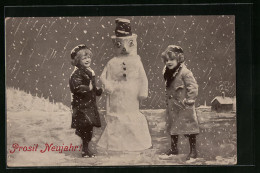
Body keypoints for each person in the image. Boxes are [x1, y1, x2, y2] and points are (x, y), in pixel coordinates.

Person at [97, 18, 152, 151]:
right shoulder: (112, 62)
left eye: (128, 44)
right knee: (118, 115)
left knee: (131, 114)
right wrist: (107, 84)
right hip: (116, 94)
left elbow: (143, 78)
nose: (124, 49)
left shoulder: (137, 61)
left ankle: (136, 143)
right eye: (120, 45)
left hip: (131, 93)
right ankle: (116, 144)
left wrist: (143, 91)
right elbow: (102, 76)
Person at [161, 45, 200, 160]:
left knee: (190, 129)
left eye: (172, 59)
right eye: (167, 60)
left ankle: (193, 151)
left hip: (184, 106)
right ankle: (174, 148)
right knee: (173, 128)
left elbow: (192, 87)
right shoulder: (168, 73)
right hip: (173, 107)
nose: (169, 62)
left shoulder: (185, 72)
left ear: (179, 59)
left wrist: (189, 100)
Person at [69, 44, 103, 157]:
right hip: (82, 107)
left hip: (89, 106)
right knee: (85, 128)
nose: (87, 60)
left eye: (88, 57)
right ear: (78, 60)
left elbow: (92, 87)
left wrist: (97, 90)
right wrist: (87, 89)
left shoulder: (88, 71)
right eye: (84, 58)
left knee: (89, 128)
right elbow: (76, 88)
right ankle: (85, 150)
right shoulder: (77, 73)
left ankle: (86, 149)